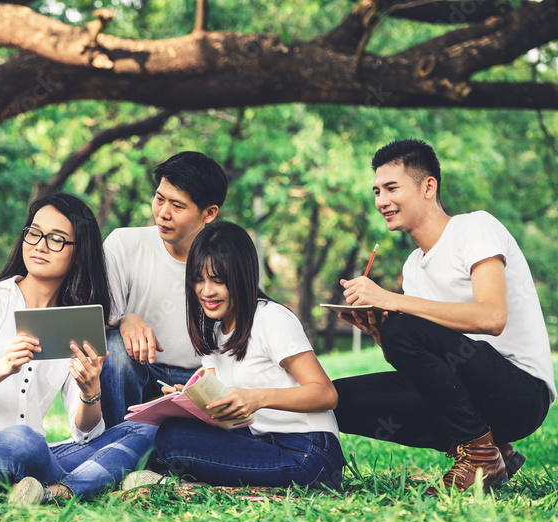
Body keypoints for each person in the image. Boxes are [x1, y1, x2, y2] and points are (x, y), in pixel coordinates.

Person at [333, 139, 554, 493]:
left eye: (391, 188)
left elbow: (492, 316)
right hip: (471, 393)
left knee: (401, 327)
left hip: (521, 395)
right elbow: (425, 363)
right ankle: (494, 451)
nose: (381, 201)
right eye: (376, 191)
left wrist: (393, 301)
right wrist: (378, 330)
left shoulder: (474, 228)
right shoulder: (413, 267)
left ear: (428, 187)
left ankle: (480, 454)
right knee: (334, 400)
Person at [0, 193, 157, 505]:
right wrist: (3, 367)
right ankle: (95, 479)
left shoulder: (77, 323)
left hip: (37, 455)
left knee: (144, 432)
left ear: (78, 253)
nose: (40, 245)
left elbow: (84, 434)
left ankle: (49, 491)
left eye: (56, 239)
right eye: (34, 233)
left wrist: (90, 391)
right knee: (23, 441)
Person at [129, 221, 344, 491]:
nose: (206, 291)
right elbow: (223, 411)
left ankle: (180, 479)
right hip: (258, 442)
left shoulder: (270, 318)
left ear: (242, 277)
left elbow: (326, 394)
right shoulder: (218, 330)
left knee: (174, 441)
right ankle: (182, 477)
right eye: (199, 279)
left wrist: (257, 398)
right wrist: (186, 399)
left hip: (308, 453)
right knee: (172, 430)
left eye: (218, 280)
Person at [100, 151, 228, 427]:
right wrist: (123, 320)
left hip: (201, 382)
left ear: (209, 213)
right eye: (159, 199)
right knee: (115, 349)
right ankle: (116, 444)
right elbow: (90, 326)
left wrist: (205, 382)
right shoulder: (123, 244)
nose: (163, 213)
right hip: (142, 377)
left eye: (177, 206)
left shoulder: (227, 261)